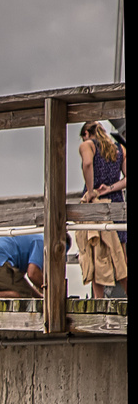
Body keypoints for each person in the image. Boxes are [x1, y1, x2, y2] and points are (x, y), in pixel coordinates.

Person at [76, 121, 127, 299]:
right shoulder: (120, 148)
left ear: (86, 134)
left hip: (95, 205)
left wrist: (91, 191)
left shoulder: (87, 145)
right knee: (120, 255)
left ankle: (98, 301)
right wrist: (110, 188)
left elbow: (88, 164)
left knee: (94, 251)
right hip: (115, 203)